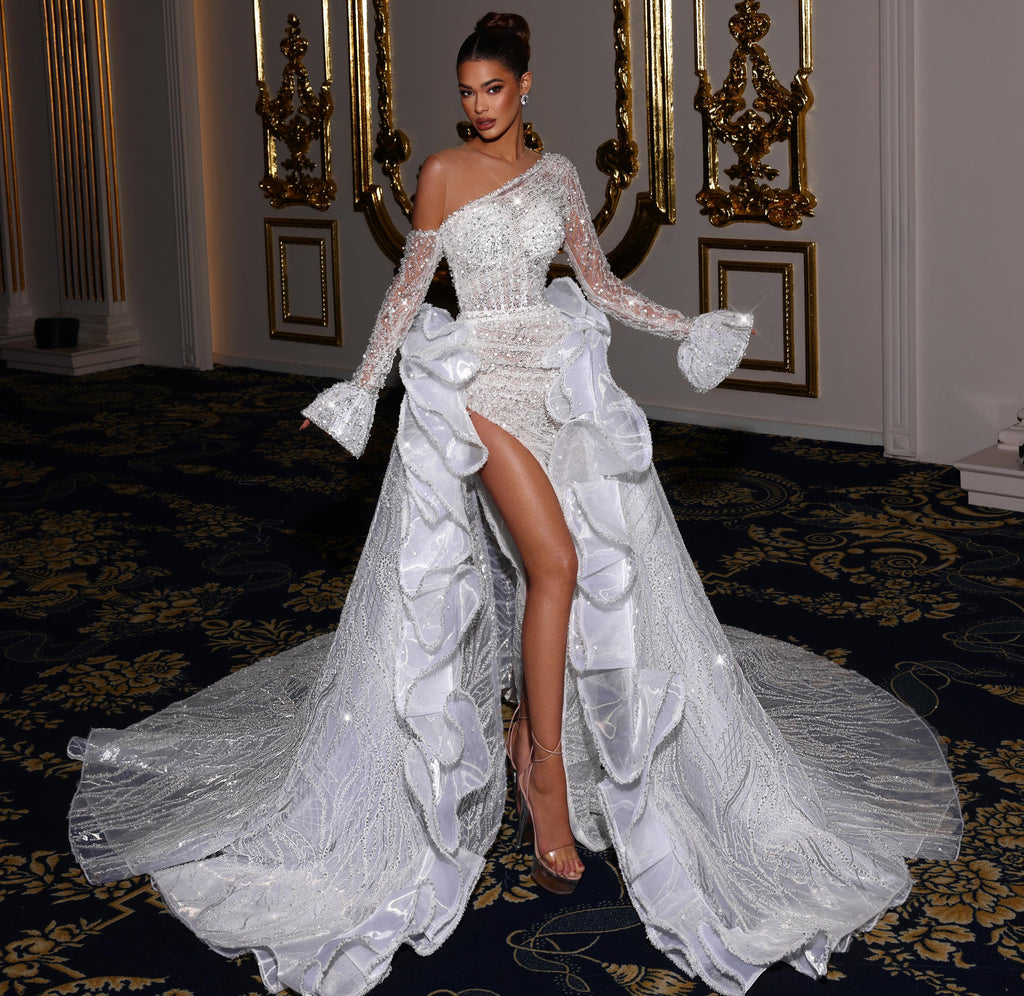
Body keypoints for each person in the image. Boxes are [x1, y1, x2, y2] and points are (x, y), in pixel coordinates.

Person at [68, 12, 962, 996]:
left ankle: (529, 735)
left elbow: (601, 283)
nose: (476, 106)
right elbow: (409, 293)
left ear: (524, 88)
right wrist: (364, 387)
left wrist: (685, 324)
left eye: (492, 90)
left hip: (555, 377)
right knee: (559, 567)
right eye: (465, 91)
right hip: (478, 386)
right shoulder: (443, 175)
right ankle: (545, 772)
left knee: (572, 574)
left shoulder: (561, 176)